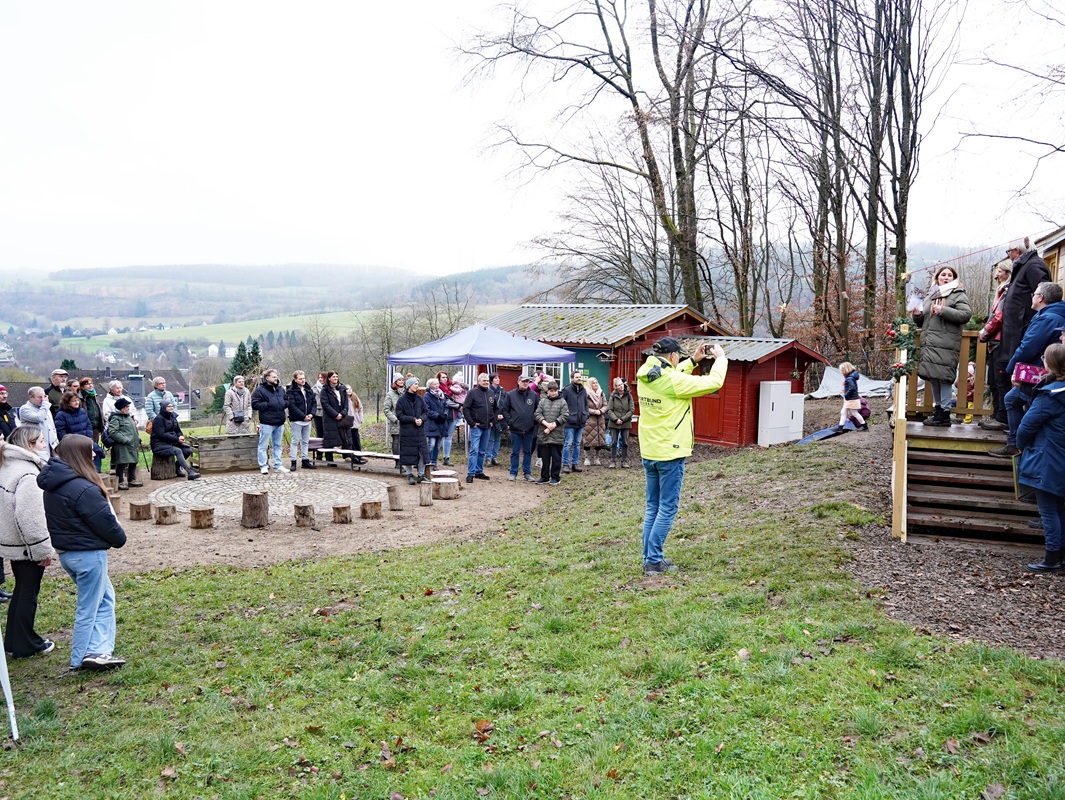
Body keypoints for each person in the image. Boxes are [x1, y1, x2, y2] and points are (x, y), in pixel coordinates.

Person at [636, 336, 728, 575]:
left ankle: (650, 557)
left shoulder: (647, 372)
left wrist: (693, 361)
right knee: (667, 509)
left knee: (652, 508)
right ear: (673, 357)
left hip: (650, 450)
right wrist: (720, 358)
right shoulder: (673, 380)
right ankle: (653, 561)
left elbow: (675, 378)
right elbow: (714, 382)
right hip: (670, 452)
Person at [37, 434, 127, 671]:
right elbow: (105, 523)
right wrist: (119, 538)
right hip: (88, 555)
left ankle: (98, 650)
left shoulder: (56, 486)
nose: (95, 454)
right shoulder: (83, 488)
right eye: (90, 451)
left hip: (69, 554)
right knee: (89, 606)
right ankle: (81, 657)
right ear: (79, 454)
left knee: (105, 598)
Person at [989, 281, 1065, 458]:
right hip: (1044, 371)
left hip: (1041, 375)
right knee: (1012, 399)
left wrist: (1010, 370)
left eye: (1034, 294)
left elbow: (1027, 347)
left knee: (1026, 406)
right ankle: (1016, 443)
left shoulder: (1048, 318)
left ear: (1041, 298)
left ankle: (1018, 446)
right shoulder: (1053, 315)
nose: (1032, 297)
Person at [0, 426, 55, 659]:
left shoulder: (8, 465)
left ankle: (13, 640)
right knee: (27, 593)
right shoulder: (27, 474)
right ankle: (25, 644)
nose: (45, 446)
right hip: (25, 545)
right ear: (30, 445)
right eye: (42, 441)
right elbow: (30, 518)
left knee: (22, 589)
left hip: (13, 541)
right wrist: (42, 549)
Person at [1016, 343, 1065, 572]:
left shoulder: (1049, 396)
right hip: (1060, 456)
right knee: (1060, 509)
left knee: (1048, 510)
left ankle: (1052, 558)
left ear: (1050, 364)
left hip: (1048, 458)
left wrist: (1020, 445)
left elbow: (1026, 426)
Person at [913, 265, 972, 427]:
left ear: (954, 279)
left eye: (949, 275)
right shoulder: (930, 295)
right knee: (933, 377)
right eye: (943, 275)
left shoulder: (958, 294)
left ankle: (945, 413)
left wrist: (943, 310)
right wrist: (917, 315)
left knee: (944, 378)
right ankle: (938, 411)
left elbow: (965, 315)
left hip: (946, 343)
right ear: (937, 277)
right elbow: (922, 320)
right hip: (929, 342)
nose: (946, 277)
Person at [1000, 236, 1051, 372]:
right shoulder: (1024, 266)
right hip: (1017, 331)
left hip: (1025, 331)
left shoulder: (1033, 266)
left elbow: (1045, 297)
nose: (1008, 255)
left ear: (1017, 251)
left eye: (1009, 251)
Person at [977, 259, 1014, 430]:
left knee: (1001, 381)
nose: (997, 274)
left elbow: (1000, 317)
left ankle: (1002, 418)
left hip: (1000, 341)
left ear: (1007, 273)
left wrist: (985, 331)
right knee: (992, 380)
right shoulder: (1001, 291)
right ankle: (996, 414)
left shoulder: (1008, 291)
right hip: (994, 342)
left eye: (1000, 271)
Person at [150, 400, 200, 480]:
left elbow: (178, 430)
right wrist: (177, 439)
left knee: (187, 450)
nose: (171, 408)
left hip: (172, 442)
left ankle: (177, 468)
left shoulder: (173, 417)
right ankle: (190, 472)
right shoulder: (158, 419)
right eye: (169, 406)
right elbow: (161, 435)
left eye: (172, 406)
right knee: (178, 451)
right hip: (159, 445)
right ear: (163, 408)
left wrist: (181, 436)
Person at [252, 369, 289, 474]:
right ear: (267, 378)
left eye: (276, 376)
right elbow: (255, 404)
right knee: (263, 445)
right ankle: (263, 465)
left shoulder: (281, 389)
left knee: (277, 445)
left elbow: (286, 400)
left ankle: (278, 465)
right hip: (267, 422)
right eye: (273, 376)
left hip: (280, 421)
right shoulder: (260, 390)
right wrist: (268, 404)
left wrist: (284, 403)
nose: (275, 378)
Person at [55, 392, 104, 472]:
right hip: (73, 444)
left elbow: (88, 425)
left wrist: (88, 439)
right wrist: (73, 442)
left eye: (77, 400)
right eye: (74, 401)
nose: (77, 402)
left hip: (86, 440)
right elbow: (61, 432)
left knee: (97, 451)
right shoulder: (61, 415)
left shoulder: (82, 411)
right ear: (67, 402)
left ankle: (97, 473)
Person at [396, 377, 432, 484]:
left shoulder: (420, 399)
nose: (417, 385)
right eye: (415, 384)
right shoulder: (401, 400)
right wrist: (412, 419)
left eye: (417, 383)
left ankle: (421, 474)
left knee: (422, 453)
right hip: (407, 432)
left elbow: (426, 411)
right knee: (408, 453)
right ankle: (410, 474)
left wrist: (421, 419)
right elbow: (399, 415)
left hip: (419, 431)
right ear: (409, 386)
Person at [502, 374, 537, 481]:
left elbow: (537, 410)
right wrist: (510, 422)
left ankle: (527, 473)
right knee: (515, 452)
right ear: (518, 381)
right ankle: (513, 472)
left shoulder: (534, 395)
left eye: (527, 381)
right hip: (515, 429)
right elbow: (505, 410)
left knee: (528, 452)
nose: (525, 383)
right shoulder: (510, 395)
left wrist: (533, 422)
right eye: (523, 381)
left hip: (529, 429)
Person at [534, 381, 569, 485]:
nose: (554, 393)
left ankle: (555, 477)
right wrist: (546, 424)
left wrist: (553, 425)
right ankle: (544, 476)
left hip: (557, 434)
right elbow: (537, 414)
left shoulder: (562, 402)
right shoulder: (543, 401)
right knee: (545, 457)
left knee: (556, 458)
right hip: (544, 434)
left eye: (555, 391)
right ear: (548, 391)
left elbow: (565, 415)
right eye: (551, 391)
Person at [462, 373, 494, 483]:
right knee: (474, 450)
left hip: (487, 426)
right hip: (477, 426)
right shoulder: (472, 393)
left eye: (487, 381)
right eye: (484, 380)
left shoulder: (491, 393)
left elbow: (494, 408)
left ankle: (479, 471)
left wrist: (492, 421)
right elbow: (465, 408)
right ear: (479, 381)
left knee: (482, 451)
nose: (486, 382)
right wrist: (471, 422)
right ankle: (470, 473)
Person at [105, 398, 142, 489]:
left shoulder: (128, 416)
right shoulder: (115, 418)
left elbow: (132, 430)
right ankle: (120, 482)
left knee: (133, 461)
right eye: (126, 407)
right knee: (121, 463)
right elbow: (113, 431)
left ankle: (132, 480)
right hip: (122, 445)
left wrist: (137, 439)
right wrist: (124, 440)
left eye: (128, 406)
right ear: (121, 408)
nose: (128, 408)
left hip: (132, 444)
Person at [285, 371, 317, 470]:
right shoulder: (290, 391)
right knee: (295, 441)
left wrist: (311, 414)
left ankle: (305, 460)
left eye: (303, 378)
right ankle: (293, 461)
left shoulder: (308, 389)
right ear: (295, 379)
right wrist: (303, 416)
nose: (303, 380)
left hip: (308, 420)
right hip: (297, 420)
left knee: (305, 441)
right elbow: (292, 406)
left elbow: (314, 403)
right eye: (300, 379)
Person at [320, 371, 351, 466]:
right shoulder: (324, 390)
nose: (335, 378)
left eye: (336, 376)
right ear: (329, 378)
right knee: (330, 438)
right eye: (333, 377)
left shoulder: (342, 389)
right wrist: (335, 414)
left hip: (342, 416)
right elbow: (325, 404)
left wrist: (343, 413)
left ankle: (348, 456)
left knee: (345, 436)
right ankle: (329, 459)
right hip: (330, 417)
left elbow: (346, 402)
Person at [561, 371, 589, 473]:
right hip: (569, 422)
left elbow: (586, 404)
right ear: (572, 378)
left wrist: (586, 414)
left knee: (577, 444)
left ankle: (575, 464)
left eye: (580, 377)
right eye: (576, 377)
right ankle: (565, 464)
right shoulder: (566, 390)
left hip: (581, 421)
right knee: (568, 443)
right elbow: (562, 405)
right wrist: (566, 416)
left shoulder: (583, 390)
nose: (579, 378)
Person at [19, 387, 59, 452]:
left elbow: (52, 426)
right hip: (36, 447)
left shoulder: (45, 408)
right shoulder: (25, 409)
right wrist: (45, 405)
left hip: (52, 446)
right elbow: (39, 418)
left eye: (44, 396)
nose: (43, 400)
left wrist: (56, 441)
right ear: (31, 397)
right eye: (39, 397)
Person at [606, 377, 634, 468]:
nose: (621, 386)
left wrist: (622, 419)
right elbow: (609, 409)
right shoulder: (613, 396)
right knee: (614, 442)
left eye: (621, 384)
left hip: (625, 423)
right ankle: (613, 461)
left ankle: (624, 461)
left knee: (625, 442)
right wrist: (615, 419)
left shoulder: (629, 396)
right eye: (618, 385)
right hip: (614, 423)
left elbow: (631, 410)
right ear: (616, 387)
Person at [423, 377, 451, 468]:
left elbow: (446, 406)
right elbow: (427, 410)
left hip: (441, 424)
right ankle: (427, 461)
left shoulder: (441, 395)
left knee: (438, 445)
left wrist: (445, 415)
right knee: (432, 444)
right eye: (435, 384)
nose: (437, 386)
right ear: (430, 386)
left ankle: (434, 463)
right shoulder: (427, 396)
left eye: (437, 384)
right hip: (432, 423)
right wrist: (437, 416)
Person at [582, 376, 608, 466]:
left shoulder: (601, 393)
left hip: (600, 419)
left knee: (599, 440)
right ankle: (587, 458)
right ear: (590, 384)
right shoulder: (586, 394)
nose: (596, 384)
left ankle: (597, 458)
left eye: (596, 382)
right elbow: (584, 406)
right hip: (589, 419)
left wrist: (601, 411)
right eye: (593, 383)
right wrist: (594, 411)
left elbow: (605, 404)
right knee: (587, 439)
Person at [383, 373, 406, 470]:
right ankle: (398, 462)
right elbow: (386, 409)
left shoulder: (406, 393)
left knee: (405, 442)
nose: (401, 381)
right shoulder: (390, 394)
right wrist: (395, 419)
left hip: (406, 421)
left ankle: (405, 460)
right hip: (396, 422)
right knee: (396, 441)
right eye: (399, 380)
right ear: (395, 382)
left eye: (402, 380)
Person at [446, 373, 469, 467]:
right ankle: (460, 419)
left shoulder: (456, 386)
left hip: (458, 403)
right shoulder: (464, 387)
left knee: (459, 414)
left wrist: (451, 387)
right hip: (460, 403)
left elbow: (457, 392)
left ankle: (460, 420)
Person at [838, 362, 866, 429]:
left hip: (851, 399)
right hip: (850, 398)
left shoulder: (849, 378)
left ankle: (864, 425)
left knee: (854, 413)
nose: (841, 372)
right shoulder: (850, 377)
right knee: (843, 412)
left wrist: (847, 395)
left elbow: (852, 388)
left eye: (842, 370)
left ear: (845, 369)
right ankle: (840, 427)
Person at [485, 374, 506, 466]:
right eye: (495, 378)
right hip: (490, 417)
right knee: (490, 438)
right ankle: (488, 457)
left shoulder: (502, 391)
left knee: (497, 438)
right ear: (491, 380)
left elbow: (505, 404)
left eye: (498, 378)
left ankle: (494, 457)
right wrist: (494, 416)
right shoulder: (488, 390)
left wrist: (502, 415)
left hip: (501, 417)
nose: (498, 379)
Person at [343, 385, 368, 464]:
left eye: (350, 388)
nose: (349, 390)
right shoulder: (343, 399)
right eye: (347, 389)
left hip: (355, 422)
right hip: (347, 423)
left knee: (356, 439)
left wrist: (360, 419)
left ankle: (358, 455)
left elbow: (360, 409)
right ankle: (349, 455)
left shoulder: (355, 397)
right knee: (348, 441)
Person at [311, 371, 327, 462]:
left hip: (327, 414)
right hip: (317, 413)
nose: (321, 379)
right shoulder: (314, 389)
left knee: (327, 435)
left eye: (322, 378)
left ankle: (329, 456)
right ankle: (319, 455)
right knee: (319, 434)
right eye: (319, 377)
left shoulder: (329, 388)